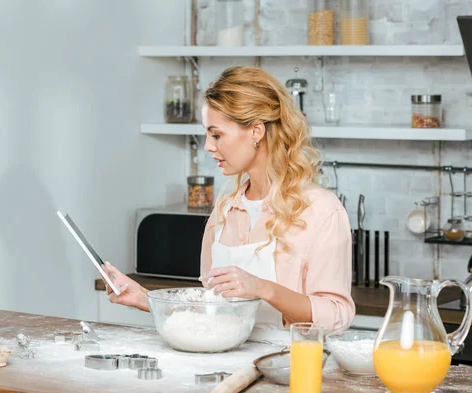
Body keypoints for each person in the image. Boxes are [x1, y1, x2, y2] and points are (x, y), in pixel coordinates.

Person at [102, 66, 355, 336]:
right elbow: (212, 311)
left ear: (256, 131)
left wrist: (263, 288)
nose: (208, 146)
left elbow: (336, 315)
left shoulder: (321, 211)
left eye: (217, 134)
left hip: (286, 369)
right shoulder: (224, 212)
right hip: (222, 368)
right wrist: (145, 299)